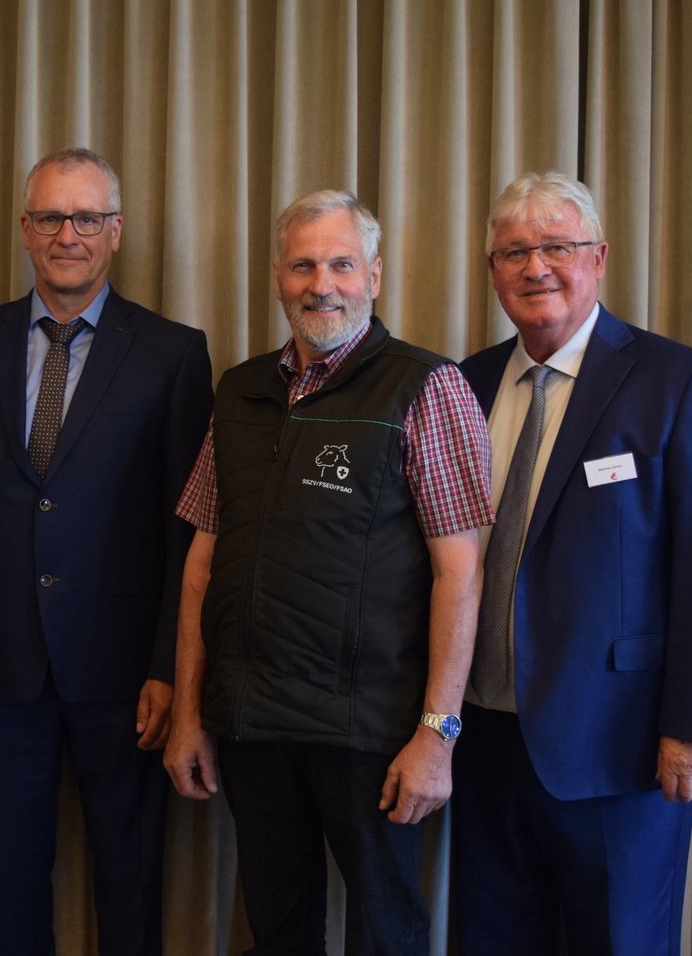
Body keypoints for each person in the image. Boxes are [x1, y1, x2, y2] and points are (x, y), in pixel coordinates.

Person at [164, 189, 494, 954]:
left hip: (370, 733)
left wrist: (438, 735)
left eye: (342, 265)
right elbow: (202, 565)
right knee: (278, 933)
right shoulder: (239, 391)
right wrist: (189, 713)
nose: (323, 285)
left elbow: (460, 576)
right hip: (251, 724)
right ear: (278, 278)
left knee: (386, 936)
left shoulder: (426, 386)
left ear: (374, 275)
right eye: (304, 266)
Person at [0, 147, 212, 954]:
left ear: (116, 231)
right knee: (10, 886)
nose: (66, 235)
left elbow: (187, 532)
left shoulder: (174, 353)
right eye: (50, 217)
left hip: (127, 673)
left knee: (129, 882)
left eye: (86, 218)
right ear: (24, 229)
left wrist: (170, 669)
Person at [451, 172, 692, 955]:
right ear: (491, 270)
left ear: (599, 257)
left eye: (557, 246)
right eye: (514, 252)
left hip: (621, 746)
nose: (536, 268)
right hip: (481, 738)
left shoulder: (675, 382)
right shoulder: (465, 383)